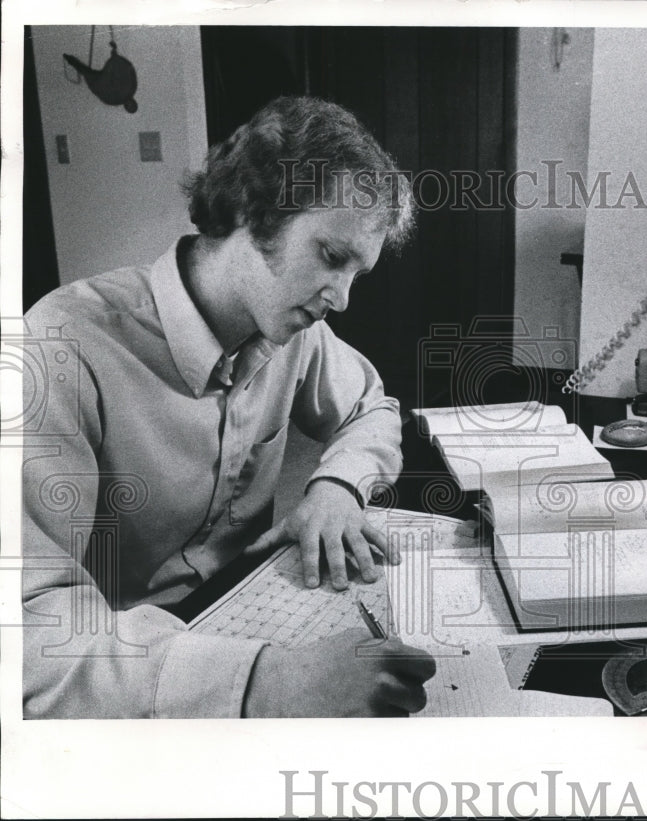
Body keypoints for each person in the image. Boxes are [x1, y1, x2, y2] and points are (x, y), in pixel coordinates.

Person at [20, 96, 435, 718]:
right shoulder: (57, 348)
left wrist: (336, 488)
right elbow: (29, 633)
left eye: (358, 272)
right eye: (330, 256)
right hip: (124, 680)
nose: (344, 299)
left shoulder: (296, 331)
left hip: (242, 608)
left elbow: (372, 409)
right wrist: (270, 685)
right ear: (249, 209)